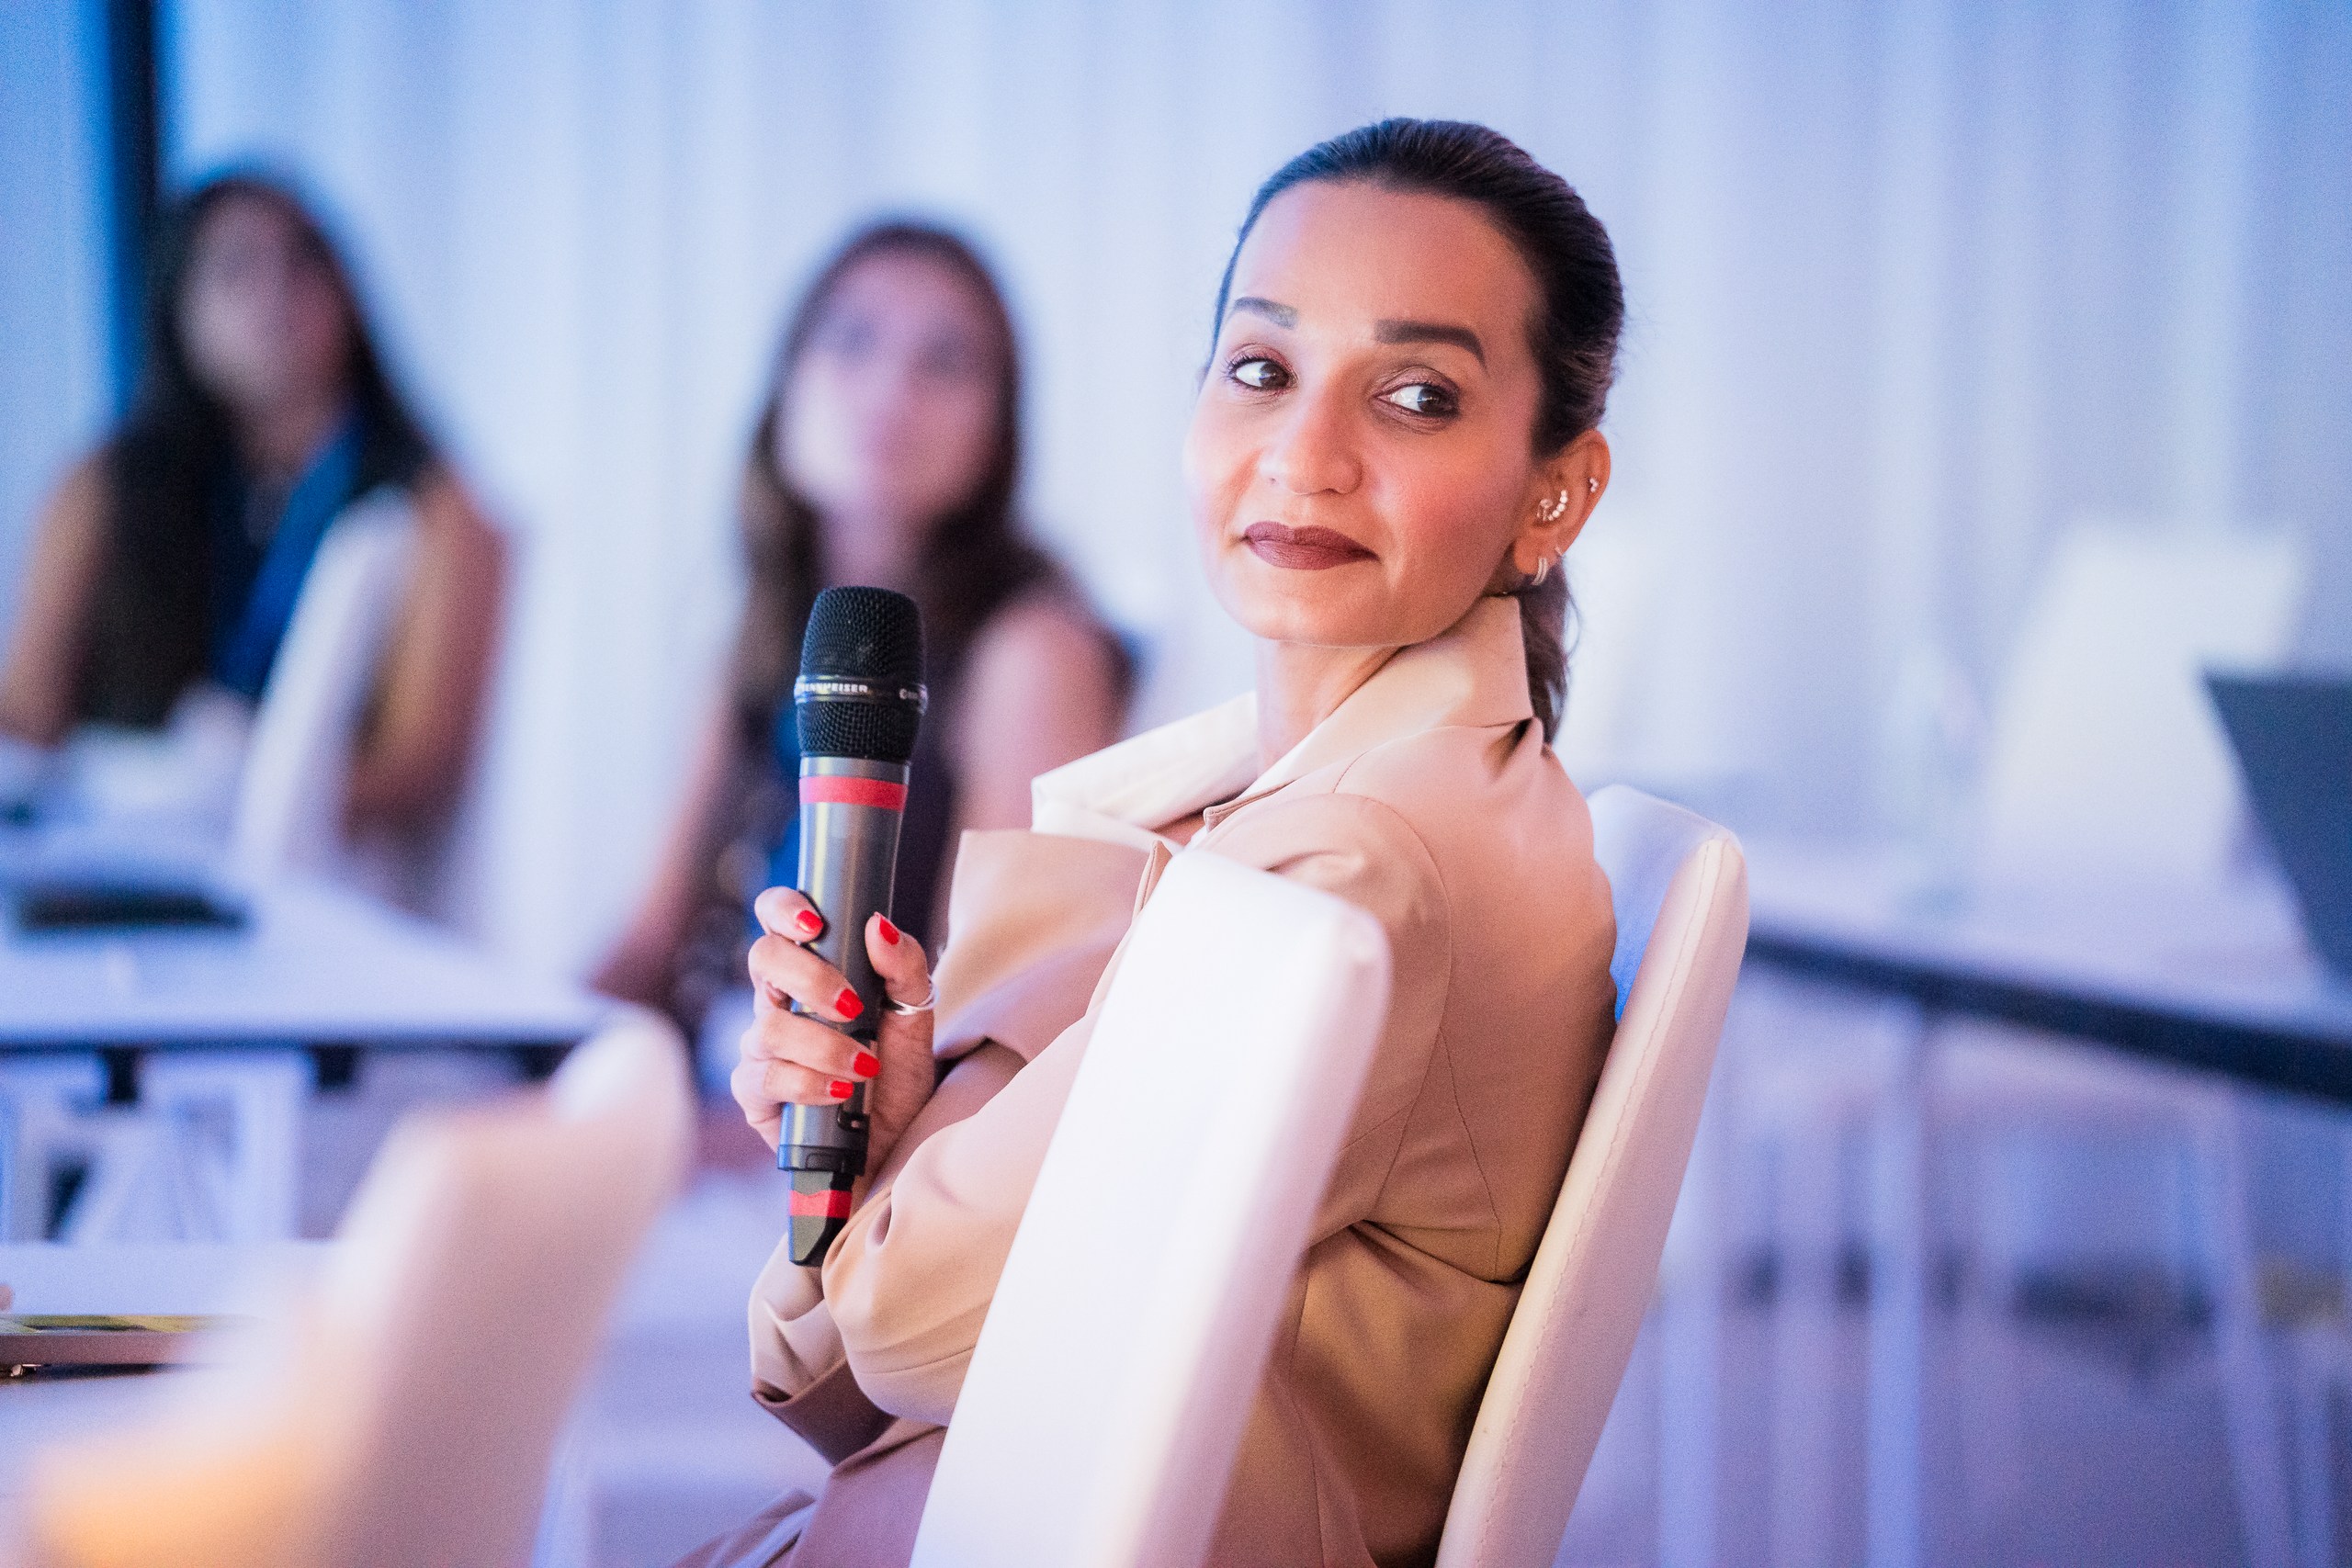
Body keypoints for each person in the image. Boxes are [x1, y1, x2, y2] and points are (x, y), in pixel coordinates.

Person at [685, 118, 1625, 1568]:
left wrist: (903, 1166)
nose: (1306, 455)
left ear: (1553, 489)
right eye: (1263, 370)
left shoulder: (1355, 868)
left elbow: (904, 1326)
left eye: (1419, 395)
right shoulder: (1361, 797)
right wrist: (904, 1123)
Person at [593, 221, 1129, 1032]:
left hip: (863, 1123)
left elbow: (991, 1003)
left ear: (1000, 430)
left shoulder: (1034, 649)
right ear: (786, 383)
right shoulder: (766, 623)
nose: (890, 391)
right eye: (851, 340)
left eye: (945, 362)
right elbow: (652, 938)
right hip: (699, 1083)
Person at [0, 172, 503, 841]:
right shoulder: (106, 486)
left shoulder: (429, 504)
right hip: (111, 839)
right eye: (234, 269)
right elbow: (30, 705)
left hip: (311, 863)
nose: (275, 295)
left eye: (303, 260)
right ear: (176, 306)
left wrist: (246, 794)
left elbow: (420, 764)